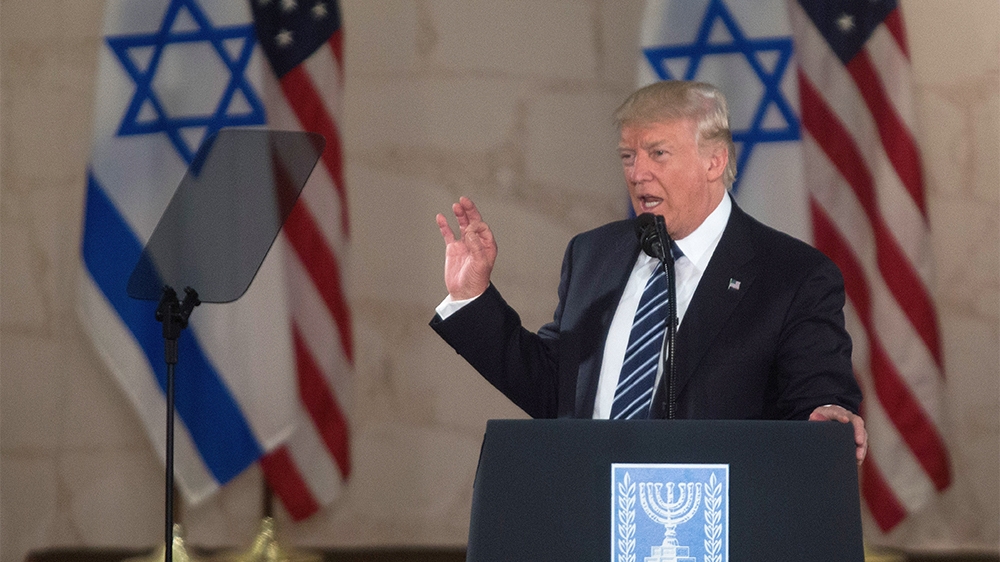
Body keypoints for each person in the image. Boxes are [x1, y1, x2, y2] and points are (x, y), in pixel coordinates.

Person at [430, 80, 867, 464]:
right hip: (593, 517)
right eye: (627, 156)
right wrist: (473, 296)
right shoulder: (593, 253)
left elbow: (817, 401)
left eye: (658, 153)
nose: (638, 174)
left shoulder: (792, 276)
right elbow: (556, 391)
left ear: (714, 161)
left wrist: (828, 417)